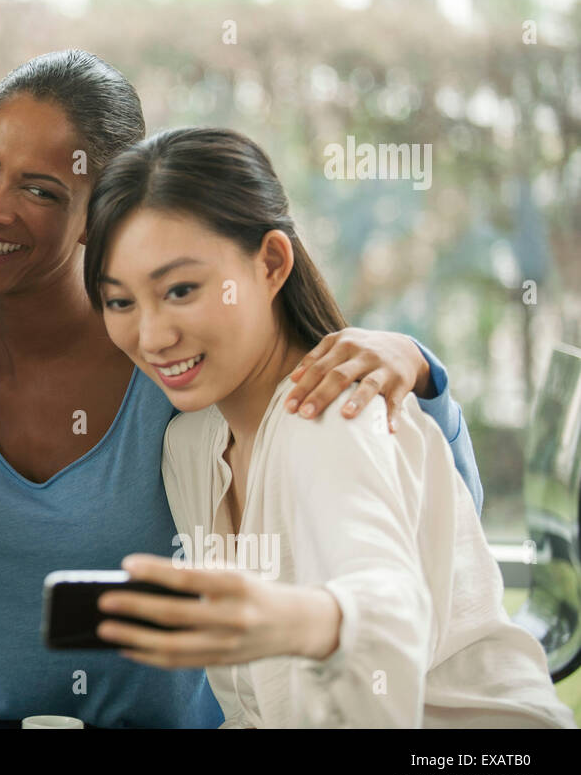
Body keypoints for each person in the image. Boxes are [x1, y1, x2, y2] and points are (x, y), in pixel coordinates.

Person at [0, 52, 484, 726]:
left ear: (100, 213)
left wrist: (418, 370)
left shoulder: (180, 373)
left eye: (41, 189)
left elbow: (424, 525)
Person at [87, 127, 573, 728]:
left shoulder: (332, 416)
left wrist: (304, 621)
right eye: (120, 302)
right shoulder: (190, 447)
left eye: (181, 289)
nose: (152, 336)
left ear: (270, 264)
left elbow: (386, 614)